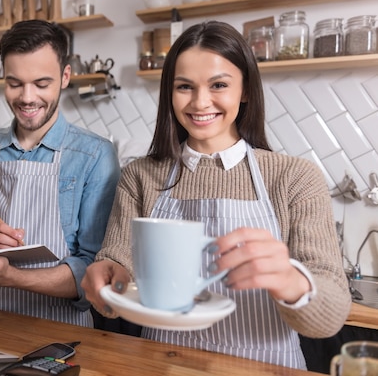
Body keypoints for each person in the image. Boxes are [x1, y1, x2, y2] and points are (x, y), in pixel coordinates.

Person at [81, 20, 351, 369]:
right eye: (184, 87)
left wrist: (291, 280)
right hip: (163, 365)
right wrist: (104, 279)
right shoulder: (140, 176)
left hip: (266, 365)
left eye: (219, 84)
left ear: (246, 90)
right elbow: (117, 264)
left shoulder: (294, 178)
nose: (200, 102)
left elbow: (330, 316)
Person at [0, 19, 120, 327]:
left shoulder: (95, 155)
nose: (27, 97)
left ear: (65, 77)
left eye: (41, 84)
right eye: (15, 83)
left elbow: (94, 270)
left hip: (61, 335)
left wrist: (12, 276)